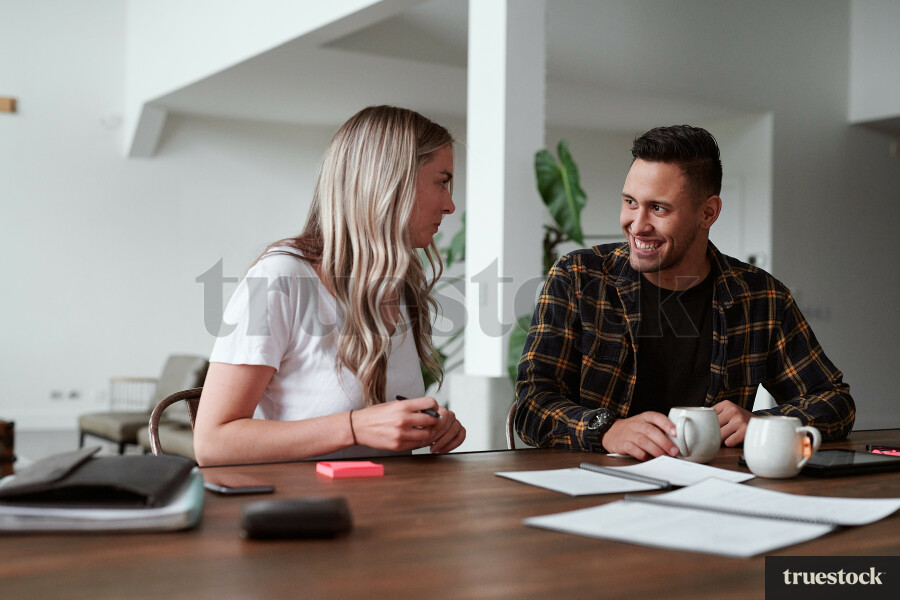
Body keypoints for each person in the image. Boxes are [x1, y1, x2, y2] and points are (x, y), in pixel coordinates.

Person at [515, 125, 854, 460]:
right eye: (630, 202)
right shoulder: (576, 277)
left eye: (658, 208)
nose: (637, 224)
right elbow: (531, 407)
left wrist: (761, 423)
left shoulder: (762, 297)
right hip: (593, 492)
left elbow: (833, 400)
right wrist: (605, 430)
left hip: (715, 489)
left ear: (708, 213)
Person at [194, 105, 466, 466]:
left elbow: (381, 426)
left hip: (388, 505)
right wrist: (353, 427)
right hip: (302, 510)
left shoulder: (396, 285)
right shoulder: (279, 280)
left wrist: (428, 425)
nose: (450, 205)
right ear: (390, 182)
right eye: (442, 182)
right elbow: (213, 443)